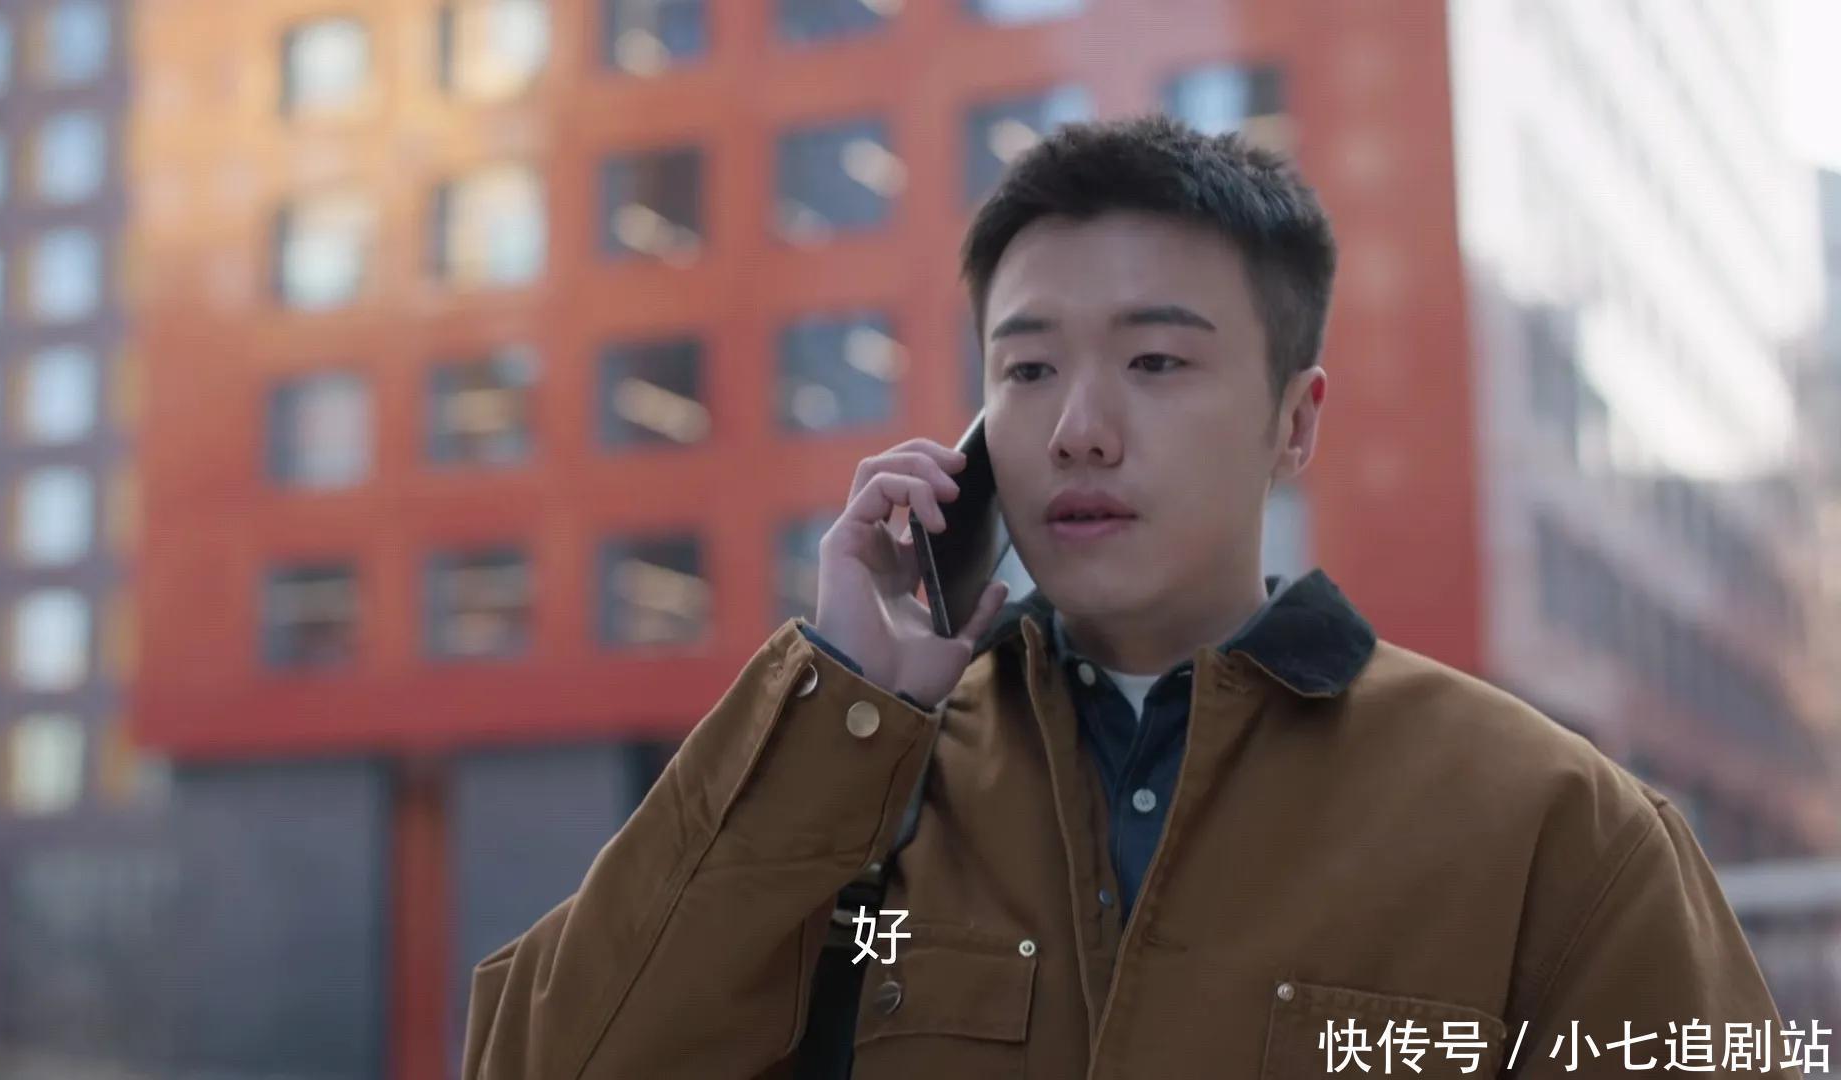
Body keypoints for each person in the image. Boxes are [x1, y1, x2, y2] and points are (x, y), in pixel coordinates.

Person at [461, 116, 1796, 1079]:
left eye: (1156, 363)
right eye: (1028, 371)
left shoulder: (1545, 821)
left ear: (1294, 421)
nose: (1079, 430)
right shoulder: (857, 794)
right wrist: (844, 705)